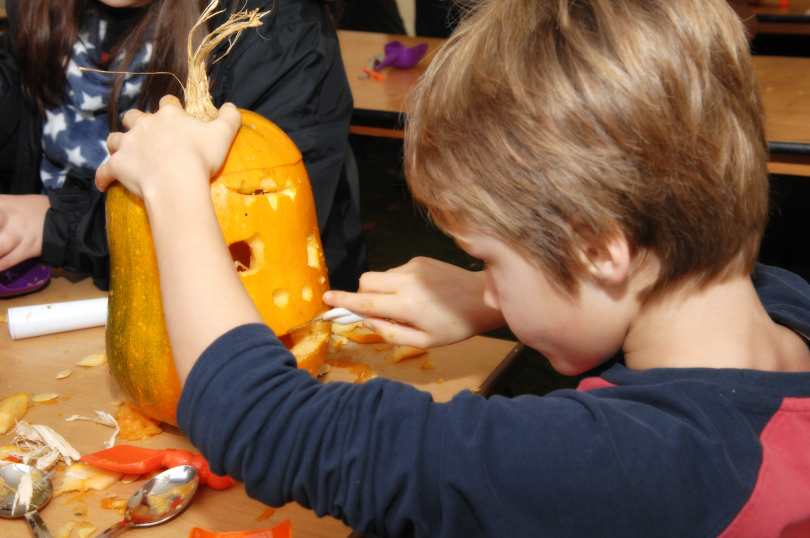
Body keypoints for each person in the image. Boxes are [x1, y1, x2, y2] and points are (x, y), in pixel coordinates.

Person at [95, 0, 810, 535]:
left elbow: (269, 424)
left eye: (488, 260)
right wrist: (488, 299)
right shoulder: (783, 315)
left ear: (599, 250)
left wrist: (175, 188)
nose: (487, 282)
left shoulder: (640, 465)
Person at [0, 0, 367, 292]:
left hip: (250, 308)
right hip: (63, 286)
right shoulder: (35, 9)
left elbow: (248, 228)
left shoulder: (277, 29)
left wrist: (57, 222)